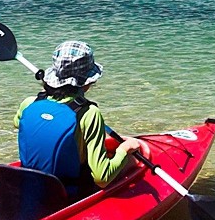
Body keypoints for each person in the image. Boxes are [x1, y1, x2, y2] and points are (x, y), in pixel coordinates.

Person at [13, 41, 145, 199]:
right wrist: (125, 149)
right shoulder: (89, 113)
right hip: (67, 193)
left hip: (30, 185)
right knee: (131, 161)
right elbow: (101, 178)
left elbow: (19, 123)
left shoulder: (29, 103)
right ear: (89, 81)